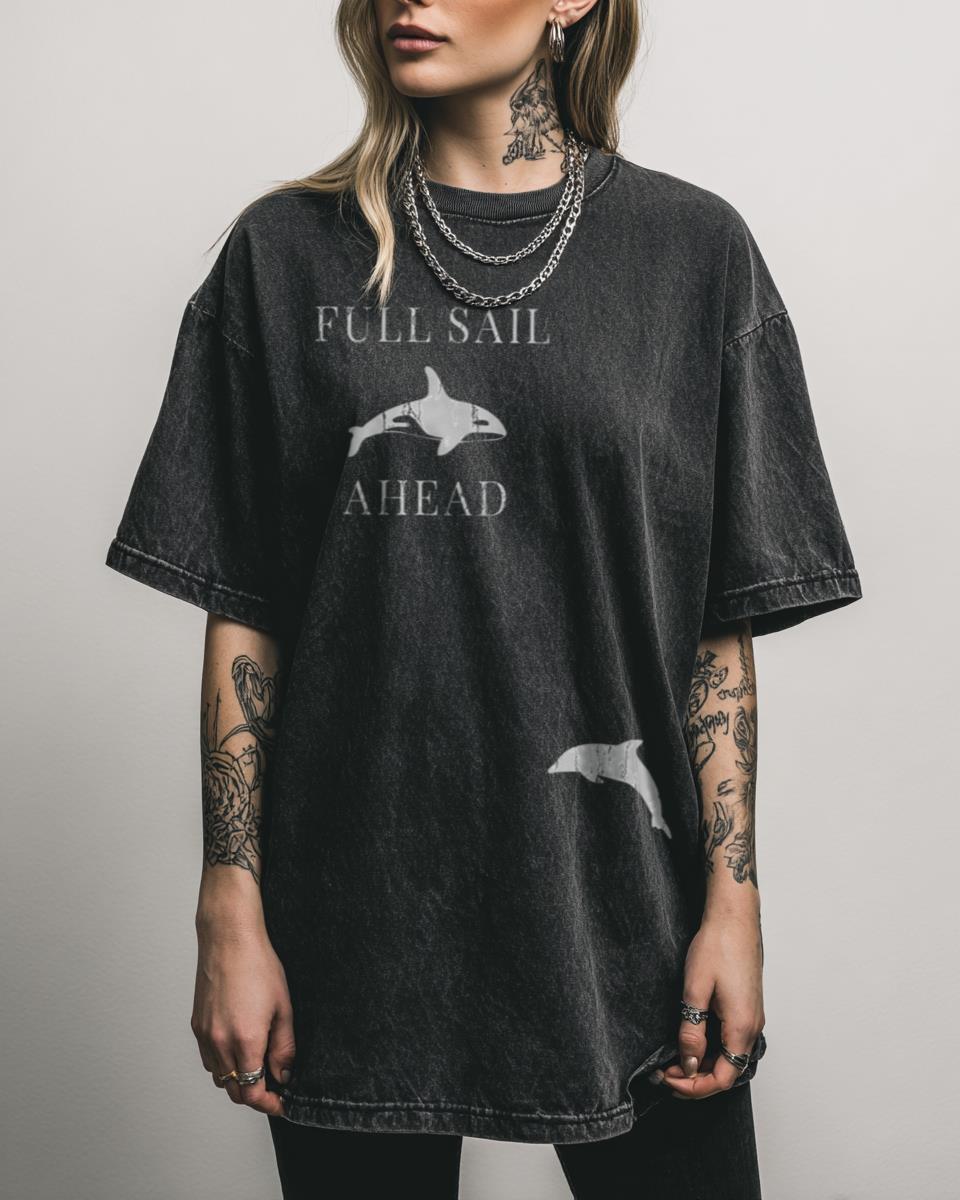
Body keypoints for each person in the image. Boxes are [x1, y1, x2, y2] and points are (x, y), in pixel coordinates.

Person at [104, 1, 863, 1196]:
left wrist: (734, 900)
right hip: (351, 918)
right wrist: (229, 903)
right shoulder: (284, 254)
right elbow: (245, 607)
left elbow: (715, 630)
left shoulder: (693, 254)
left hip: (626, 911)